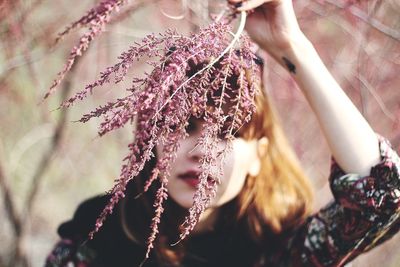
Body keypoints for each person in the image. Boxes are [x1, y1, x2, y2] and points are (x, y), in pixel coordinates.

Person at [45, 0, 400, 266]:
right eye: (182, 126)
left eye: (227, 131)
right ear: (151, 144)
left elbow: (384, 193)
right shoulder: (94, 243)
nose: (201, 148)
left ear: (258, 158)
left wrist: (293, 47)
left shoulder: (278, 254)